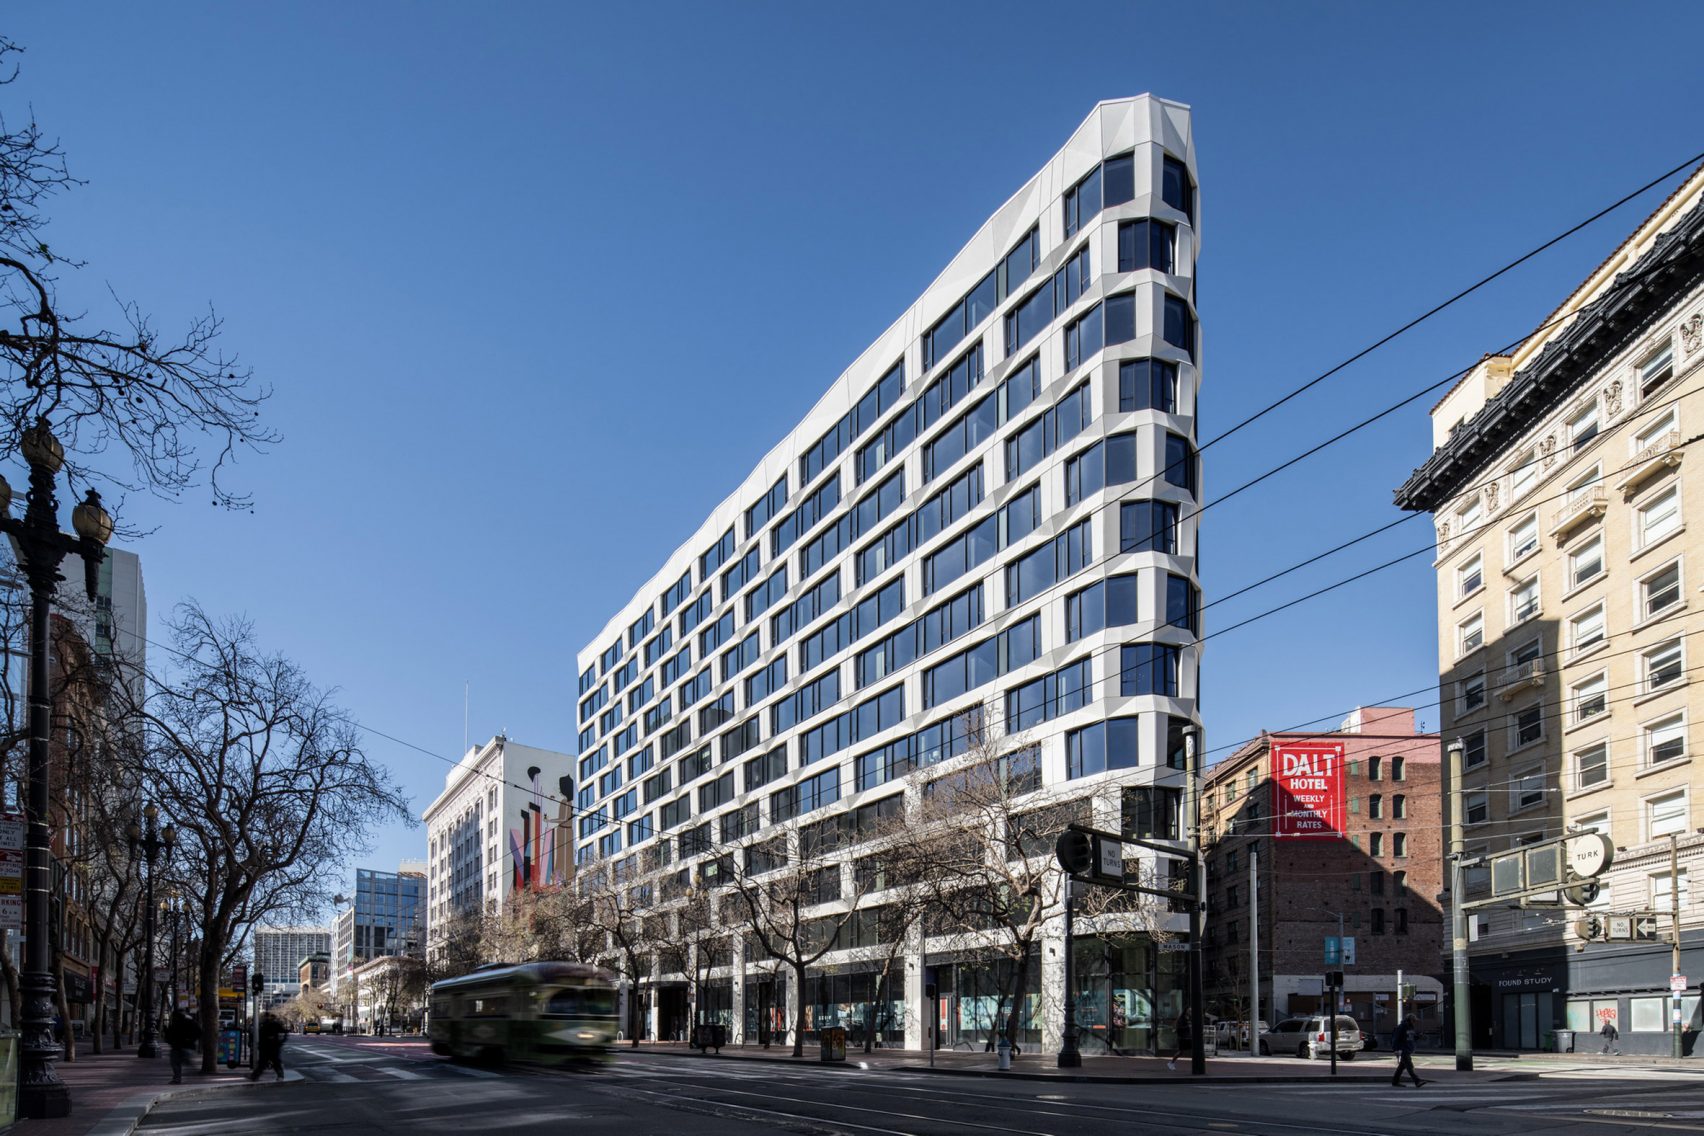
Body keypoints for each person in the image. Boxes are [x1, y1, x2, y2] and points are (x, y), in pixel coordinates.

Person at [163, 1008, 201, 1085]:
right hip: (183, 1046)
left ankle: (178, 1078)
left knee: (176, 1063)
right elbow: (199, 1032)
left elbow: (169, 1034)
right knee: (178, 1062)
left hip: (181, 1046)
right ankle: (183, 1076)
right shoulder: (188, 1022)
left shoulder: (179, 1023)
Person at [1390, 1015, 1425, 1088]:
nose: (1414, 1022)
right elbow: (1395, 1039)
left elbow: (1411, 1038)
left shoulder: (1411, 1027)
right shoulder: (1401, 1027)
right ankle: (1417, 1081)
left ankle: (1395, 1081)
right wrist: (1395, 1049)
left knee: (1401, 1067)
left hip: (1408, 1049)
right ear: (1409, 1020)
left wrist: (1418, 1036)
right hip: (1403, 1049)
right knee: (1409, 1066)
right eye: (1413, 1020)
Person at [250, 1012, 286, 1081]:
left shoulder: (274, 1025)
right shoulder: (263, 1025)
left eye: (268, 1017)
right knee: (263, 1063)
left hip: (272, 1047)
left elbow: (284, 1033)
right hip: (266, 1047)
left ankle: (280, 1075)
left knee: (274, 1062)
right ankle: (255, 1076)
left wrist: (280, 1042)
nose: (267, 1018)